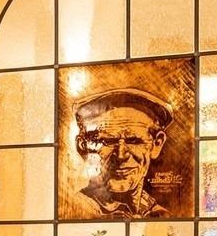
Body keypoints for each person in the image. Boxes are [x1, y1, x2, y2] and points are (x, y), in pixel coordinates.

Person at [72, 86, 176, 218]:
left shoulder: (162, 216)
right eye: (108, 141)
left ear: (157, 144)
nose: (121, 155)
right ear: (83, 147)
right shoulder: (75, 211)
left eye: (133, 141)